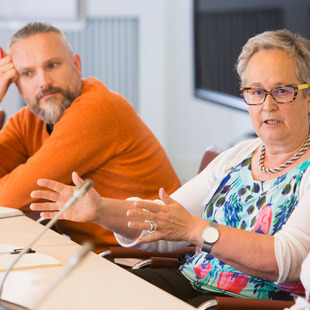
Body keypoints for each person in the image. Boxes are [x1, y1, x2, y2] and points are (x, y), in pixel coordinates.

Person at [30, 28, 310, 306]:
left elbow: (287, 259)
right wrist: (101, 210)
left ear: (307, 97)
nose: (267, 105)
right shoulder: (240, 155)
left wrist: (195, 230)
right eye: (257, 91)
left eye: (283, 91)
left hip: (241, 302)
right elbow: (163, 222)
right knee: (81, 292)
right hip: (191, 280)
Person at [0, 22, 180, 253]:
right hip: (91, 257)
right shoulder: (29, 120)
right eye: (28, 73)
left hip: (141, 264)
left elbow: (6, 199)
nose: (43, 82)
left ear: (76, 65)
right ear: (17, 85)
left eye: (52, 65)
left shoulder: (97, 110)